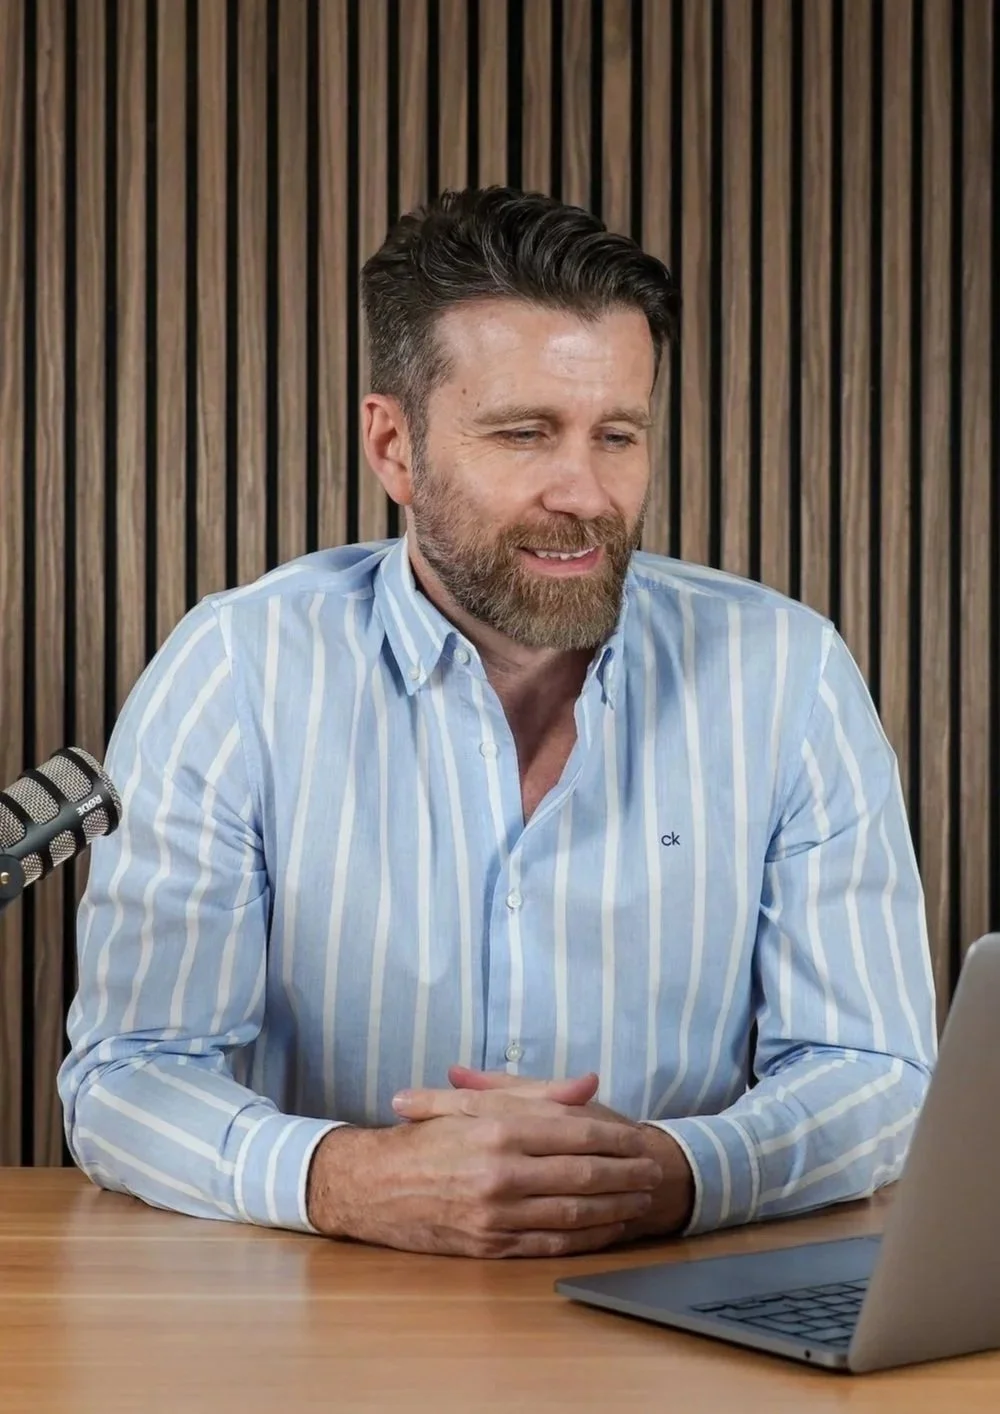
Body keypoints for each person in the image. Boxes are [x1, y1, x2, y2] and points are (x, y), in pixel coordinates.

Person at [58, 186, 937, 1259]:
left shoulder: (790, 675)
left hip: (678, 1308)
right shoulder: (236, 671)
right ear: (394, 445)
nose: (585, 492)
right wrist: (345, 1180)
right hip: (319, 1307)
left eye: (617, 435)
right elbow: (128, 1074)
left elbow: (877, 1069)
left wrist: (675, 1174)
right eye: (525, 433)